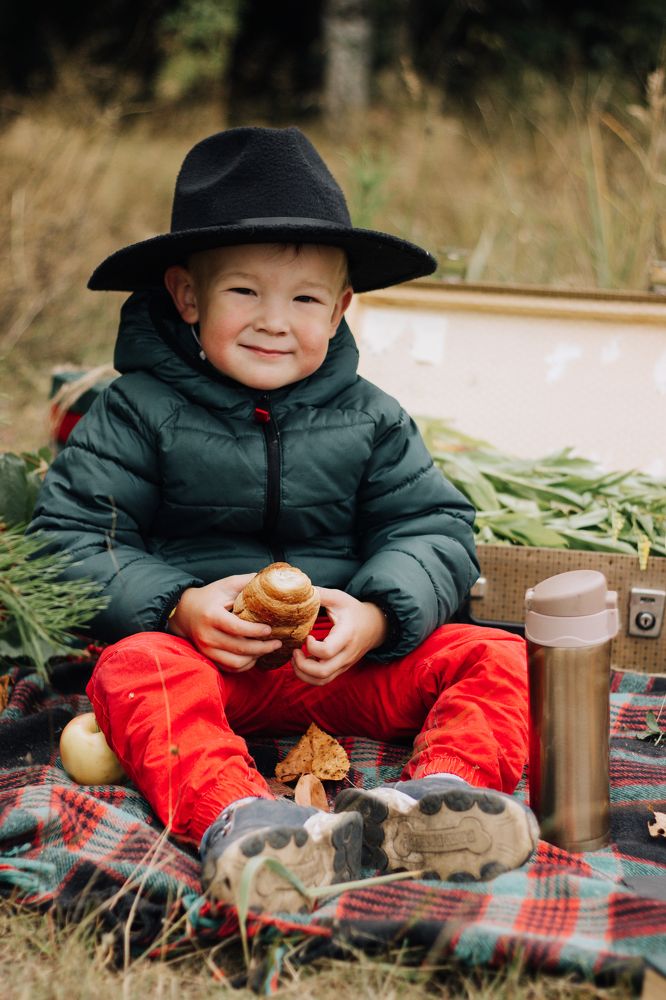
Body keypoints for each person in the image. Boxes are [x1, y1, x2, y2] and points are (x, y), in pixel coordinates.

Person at [30, 126, 538, 914]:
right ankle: (245, 819)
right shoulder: (133, 412)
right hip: (208, 661)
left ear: (339, 311)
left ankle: (434, 804)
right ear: (187, 296)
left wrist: (376, 616)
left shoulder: (372, 418)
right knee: (132, 671)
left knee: (499, 654)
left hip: (345, 661)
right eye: (244, 292)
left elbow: (432, 528)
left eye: (304, 299)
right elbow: (68, 541)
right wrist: (179, 605)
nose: (275, 321)